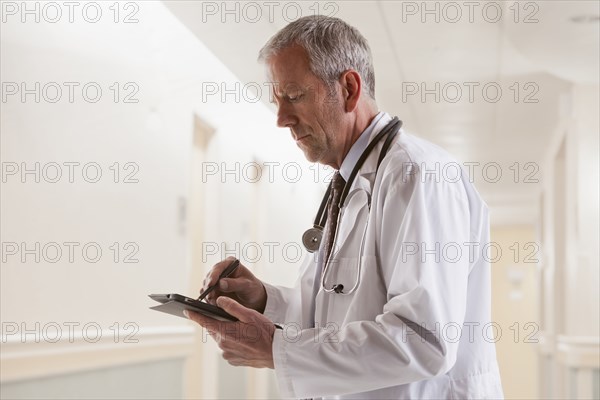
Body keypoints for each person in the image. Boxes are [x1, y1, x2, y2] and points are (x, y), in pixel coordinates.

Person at [185, 15, 504, 399]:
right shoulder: (350, 182)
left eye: (294, 96)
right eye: (278, 102)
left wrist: (277, 348)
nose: (282, 119)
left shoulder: (418, 175)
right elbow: (333, 315)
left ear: (349, 88)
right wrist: (265, 301)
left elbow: (424, 340)